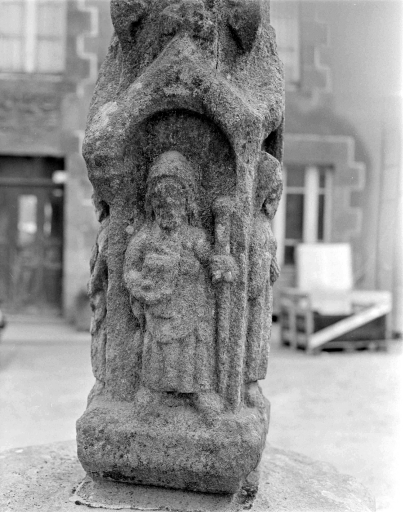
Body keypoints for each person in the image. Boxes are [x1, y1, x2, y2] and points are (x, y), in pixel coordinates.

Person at [124, 151, 234, 414]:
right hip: (159, 308)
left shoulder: (195, 237)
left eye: (174, 200)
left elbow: (210, 262)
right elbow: (130, 271)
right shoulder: (145, 238)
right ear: (152, 204)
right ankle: (152, 389)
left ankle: (200, 390)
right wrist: (147, 284)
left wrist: (222, 263)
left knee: (194, 349)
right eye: (160, 202)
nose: (168, 206)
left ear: (187, 203)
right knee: (157, 349)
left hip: (191, 309)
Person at [245, 152, 282, 407]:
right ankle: (248, 387)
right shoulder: (258, 227)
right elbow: (256, 279)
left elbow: (269, 258)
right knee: (253, 342)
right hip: (257, 300)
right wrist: (266, 269)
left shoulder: (263, 225)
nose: (276, 200)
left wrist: (272, 265)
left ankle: (251, 385)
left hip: (263, 298)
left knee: (259, 343)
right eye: (273, 194)